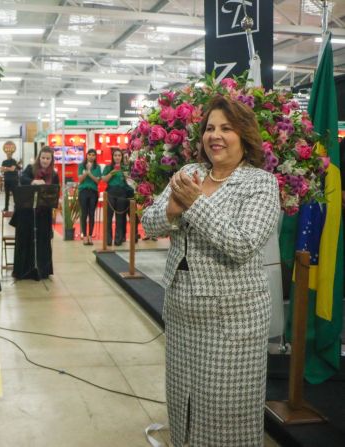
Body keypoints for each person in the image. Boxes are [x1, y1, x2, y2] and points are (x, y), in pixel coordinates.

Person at [141, 95, 280, 446]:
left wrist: (194, 204)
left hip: (232, 319)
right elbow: (149, 223)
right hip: (182, 312)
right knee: (183, 401)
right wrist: (171, 208)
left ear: (244, 136)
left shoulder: (260, 184)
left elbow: (241, 244)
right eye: (210, 128)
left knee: (226, 409)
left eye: (226, 128)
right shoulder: (190, 174)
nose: (215, 135)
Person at [11, 147, 59, 280]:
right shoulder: (30, 168)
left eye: (48, 158)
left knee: (42, 240)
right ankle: (24, 270)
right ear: (39, 158)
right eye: (43, 158)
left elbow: (56, 191)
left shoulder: (54, 174)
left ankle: (42, 270)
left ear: (51, 159)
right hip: (27, 212)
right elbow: (22, 178)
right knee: (26, 239)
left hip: (44, 213)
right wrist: (33, 181)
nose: (45, 160)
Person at [101, 148, 133, 246]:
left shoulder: (126, 167)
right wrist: (112, 172)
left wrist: (126, 175)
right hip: (110, 192)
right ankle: (108, 240)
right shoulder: (108, 167)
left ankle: (118, 240)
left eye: (119, 155)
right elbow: (104, 180)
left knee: (120, 218)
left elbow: (130, 181)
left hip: (122, 193)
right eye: (115, 155)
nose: (117, 157)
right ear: (112, 157)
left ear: (122, 157)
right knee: (108, 218)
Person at [78, 149, 101, 245]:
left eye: (93, 155)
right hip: (83, 191)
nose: (91, 156)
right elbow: (80, 179)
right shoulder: (81, 166)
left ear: (95, 157)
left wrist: (89, 172)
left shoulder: (97, 167)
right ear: (86, 155)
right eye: (90, 154)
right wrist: (86, 171)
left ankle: (90, 236)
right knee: (84, 214)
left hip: (93, 192)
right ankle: (84, 236)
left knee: (91, 214)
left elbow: (97, 181)